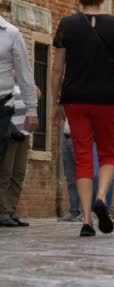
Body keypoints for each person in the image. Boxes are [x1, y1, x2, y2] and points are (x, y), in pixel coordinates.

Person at [52, 0, 114, 237]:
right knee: (108, 153)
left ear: (79, 0)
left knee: (83, 156)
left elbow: (57, 68)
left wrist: (55, 101)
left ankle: (86, 220)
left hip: (75, 98)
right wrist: (113, 80)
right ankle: (101, 198)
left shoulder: (67, 24)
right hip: (107, 99)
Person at [0, 16, 38, 227]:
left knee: (15, 171)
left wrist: (32, 110)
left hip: (10, 115)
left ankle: (8, 210)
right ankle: (3, 210)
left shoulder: (11, 33)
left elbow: (26, 75)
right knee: (5, 170)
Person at [0, 85, 39, 227]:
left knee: (19, 174)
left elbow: (38, 93)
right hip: (9, 134)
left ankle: (11, 210)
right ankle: (2, 212)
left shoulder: (25, 82)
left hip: (24, 134)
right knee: (5, 173)